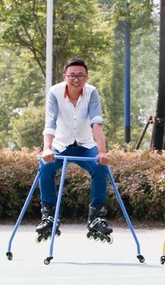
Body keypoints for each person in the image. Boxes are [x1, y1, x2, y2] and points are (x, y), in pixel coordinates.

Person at [35, 57, 112, 241]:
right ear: (65, 76)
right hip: (61, 144)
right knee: (45, 168)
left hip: (85, 144)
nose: (76, 79)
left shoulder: (92, 92)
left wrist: (102, 151)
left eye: (80, 76)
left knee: (101, 168)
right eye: (72, 75)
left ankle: (96, 216)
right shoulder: (55, 92)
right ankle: (49, 216)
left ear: (86, 77)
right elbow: (50, 122)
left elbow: (97, 123)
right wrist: (47, 148)